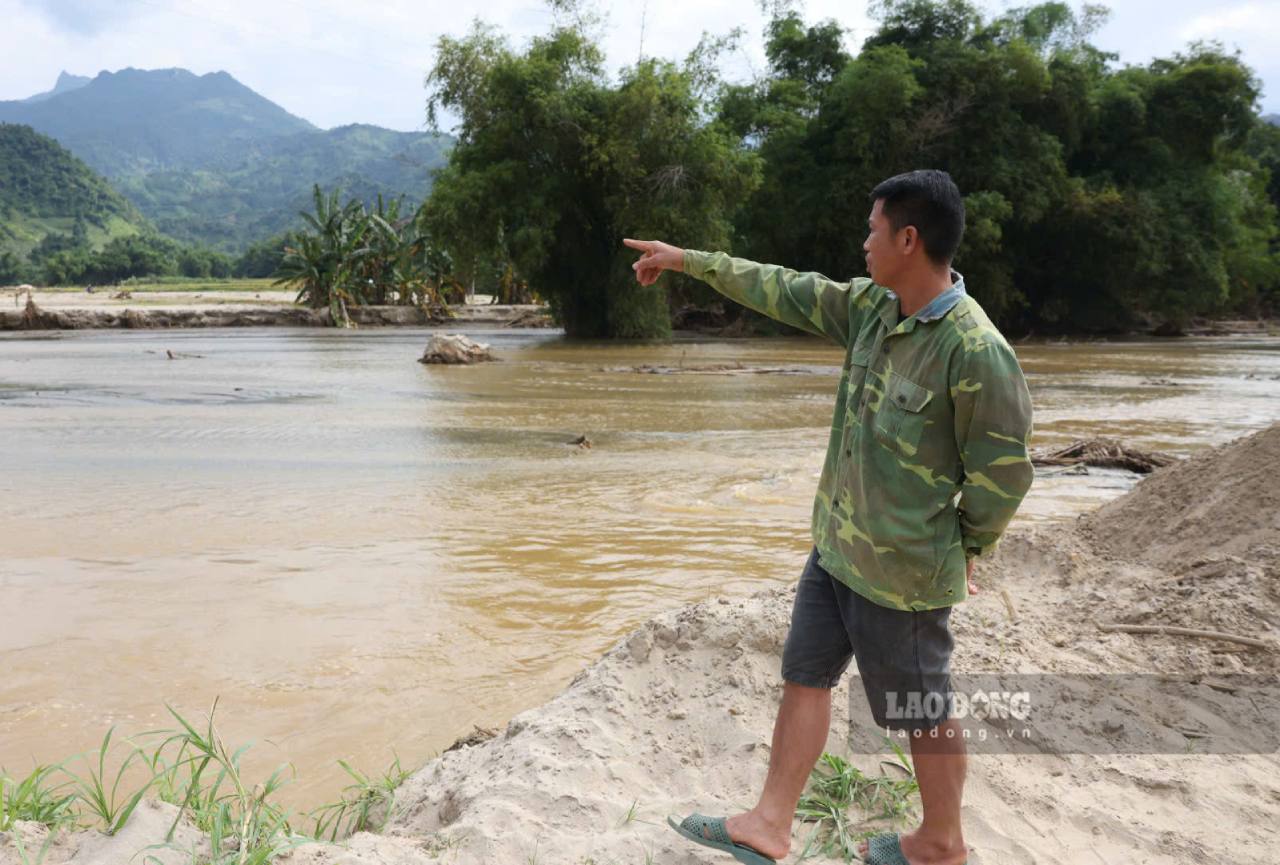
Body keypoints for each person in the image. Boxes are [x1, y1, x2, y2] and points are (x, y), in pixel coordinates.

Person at [623, 169, 1035, 865]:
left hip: (902, 575)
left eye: (873, 230)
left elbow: (1004, 475)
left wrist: (963, 548)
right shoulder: (872, 307)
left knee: (920, 708)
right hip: (836, 548)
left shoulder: (973, 348)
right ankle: (770, 823)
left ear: (908, 239)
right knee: (805, 674)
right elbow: (782, 287)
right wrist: (687, 260)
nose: (864, 242)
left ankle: (942, 842)